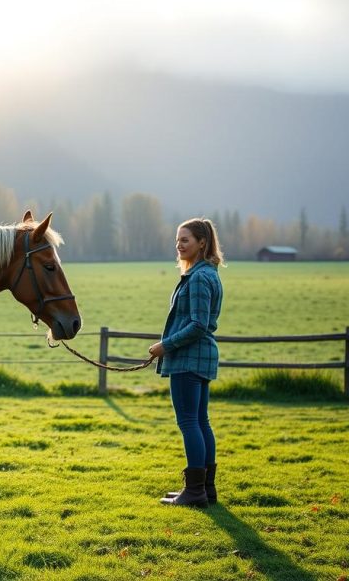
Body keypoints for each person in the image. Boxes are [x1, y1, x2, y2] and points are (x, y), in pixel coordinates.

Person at [148, 218, 224, 508]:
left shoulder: (199, 278)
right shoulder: (206, 274)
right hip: (199, 359)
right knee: (201, 422)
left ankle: (194, 492)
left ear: (201, 243)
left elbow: (198, 325)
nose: (178, 245)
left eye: (185, 240)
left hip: (189, 360)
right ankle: (205, 489)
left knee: (190, 422)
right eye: (177, 240)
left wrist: (164, 346)